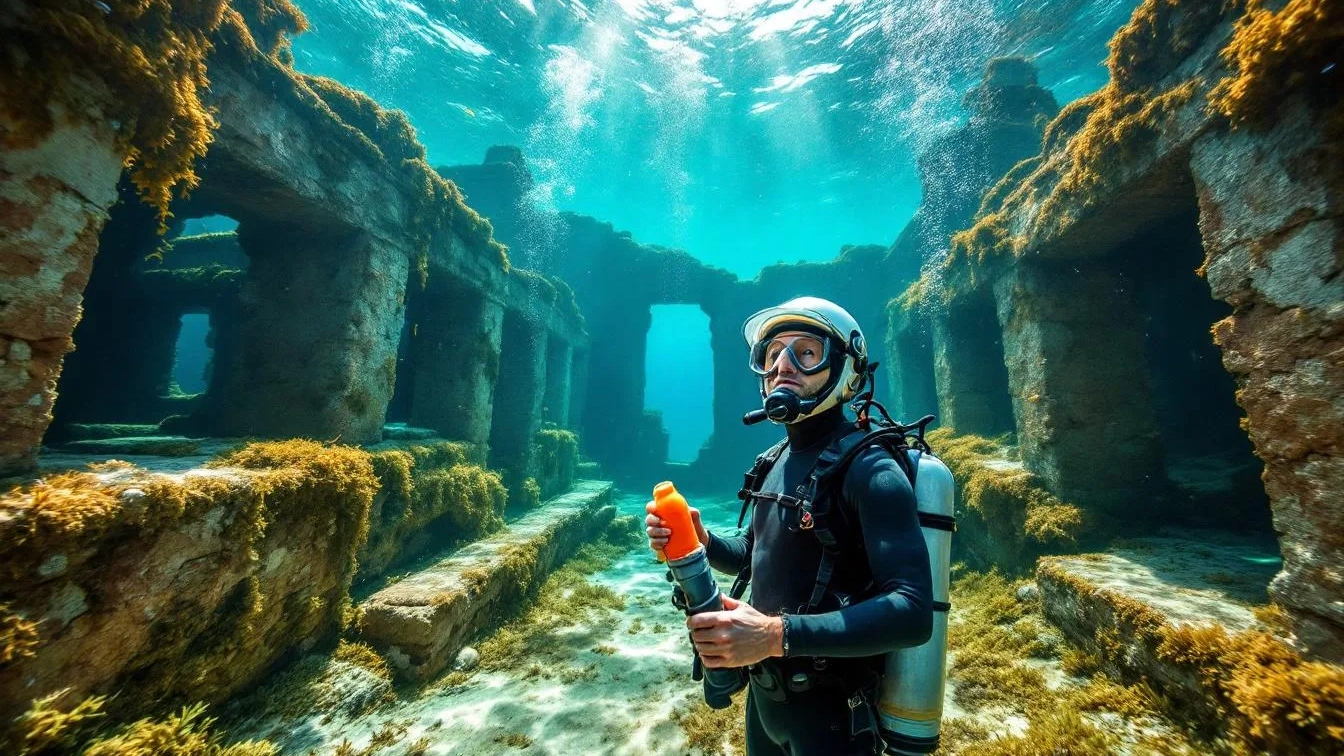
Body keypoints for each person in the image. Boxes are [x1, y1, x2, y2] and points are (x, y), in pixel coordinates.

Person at [646, 296, 934, 755]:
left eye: (806, 352)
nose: (782, 365)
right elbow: (755, 552)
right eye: (772, 353)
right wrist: (705, 543)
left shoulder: (872, 470)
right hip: (765, 699)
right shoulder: (772, 461)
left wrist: (772, 635)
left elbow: (913, 611)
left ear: (846, 369)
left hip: (834, 713)